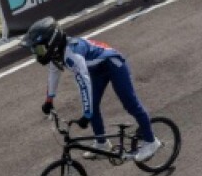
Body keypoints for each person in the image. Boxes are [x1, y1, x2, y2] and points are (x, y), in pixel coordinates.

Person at [23, 16, 160, 162]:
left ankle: (151, 141)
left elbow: (84, 84)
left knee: (130, 103)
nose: (37, 54)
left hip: (113, 65)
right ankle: (102, 144)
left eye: (39, 49)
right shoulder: (57, 53)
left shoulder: (73, 54)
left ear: (51, 43)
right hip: (97, 70)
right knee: (92, 106)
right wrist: (49, 100)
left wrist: (87, 114)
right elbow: (53, 73)